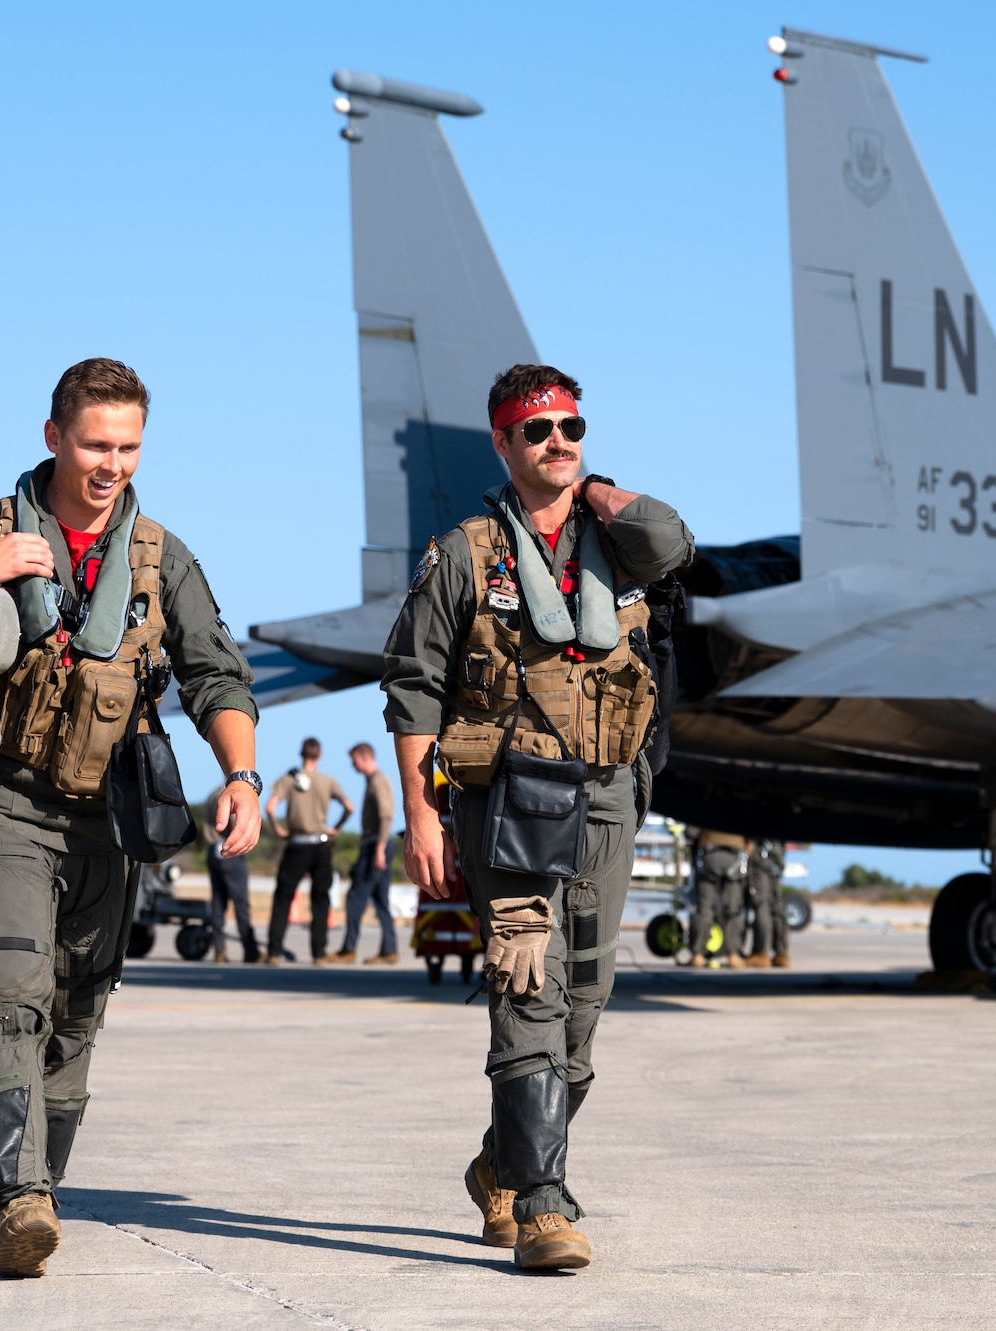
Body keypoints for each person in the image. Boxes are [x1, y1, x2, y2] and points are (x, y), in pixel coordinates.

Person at [0, 358, 262, 1278]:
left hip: (107, 819)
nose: (111, 463)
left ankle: (33, 1179)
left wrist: (241, 772)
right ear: (53, 437)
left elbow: (216, 674)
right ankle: (19, 1200)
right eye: (94, 444)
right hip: (1, 800)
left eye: (127, 447)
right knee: (6, 996)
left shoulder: (162, 555)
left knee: (76, 1015)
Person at [383, 363, 693, 1271]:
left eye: (571, 427)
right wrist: (421, 816)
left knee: (584, 1017)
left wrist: (590, 488)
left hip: (606, 800)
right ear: (501, 444)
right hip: (507, 801)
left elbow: (675, 541)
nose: (556, 441)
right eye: (536, 430)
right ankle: (547, 1207)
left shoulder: (618, 543)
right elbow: (413, 692)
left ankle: (503, 1167)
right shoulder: (465, 552)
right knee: (529, 988)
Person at [263, 738, 356, 966]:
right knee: (320, 900)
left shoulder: (289, 779)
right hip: (322, 844)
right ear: (320, 756)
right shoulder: (328, 781)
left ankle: (274, 952)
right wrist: (335, 828)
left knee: (284, 897)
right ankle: (319, 953)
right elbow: (349, 807)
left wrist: (278, 829)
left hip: (297, 843)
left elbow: (270, 806)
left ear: (301, 754)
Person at [335, 742, 399, 963]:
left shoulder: (378, 781)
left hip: (375, 845)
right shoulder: (374, 780)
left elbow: (386, 816)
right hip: (380, 844)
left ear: (364, 757)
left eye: (354, 761)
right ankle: (389, 951)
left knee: (355, 897)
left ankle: (348, 949)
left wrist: (379, 848)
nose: (352, 766)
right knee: (381, 899)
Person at [204, 785, 260, 964]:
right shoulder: (235, 794)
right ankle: (250, 950)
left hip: (212, 849)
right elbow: (238, 824)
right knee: (241, 904)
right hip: (230, 850)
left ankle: (219, 949)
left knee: (218, 902)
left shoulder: (212, 793)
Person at [688, 830, 751, 968]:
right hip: (735, 856)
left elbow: (690, 832)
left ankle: (698, 955)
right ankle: (733, 955)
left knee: (705, 908)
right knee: (733, 909)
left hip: (709, 855)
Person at [742, 838, 790, 968]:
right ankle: (781, 953)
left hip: (761, 853)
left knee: (762, 905)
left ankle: (761, 954)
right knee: (776, 906)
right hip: (775, 850)